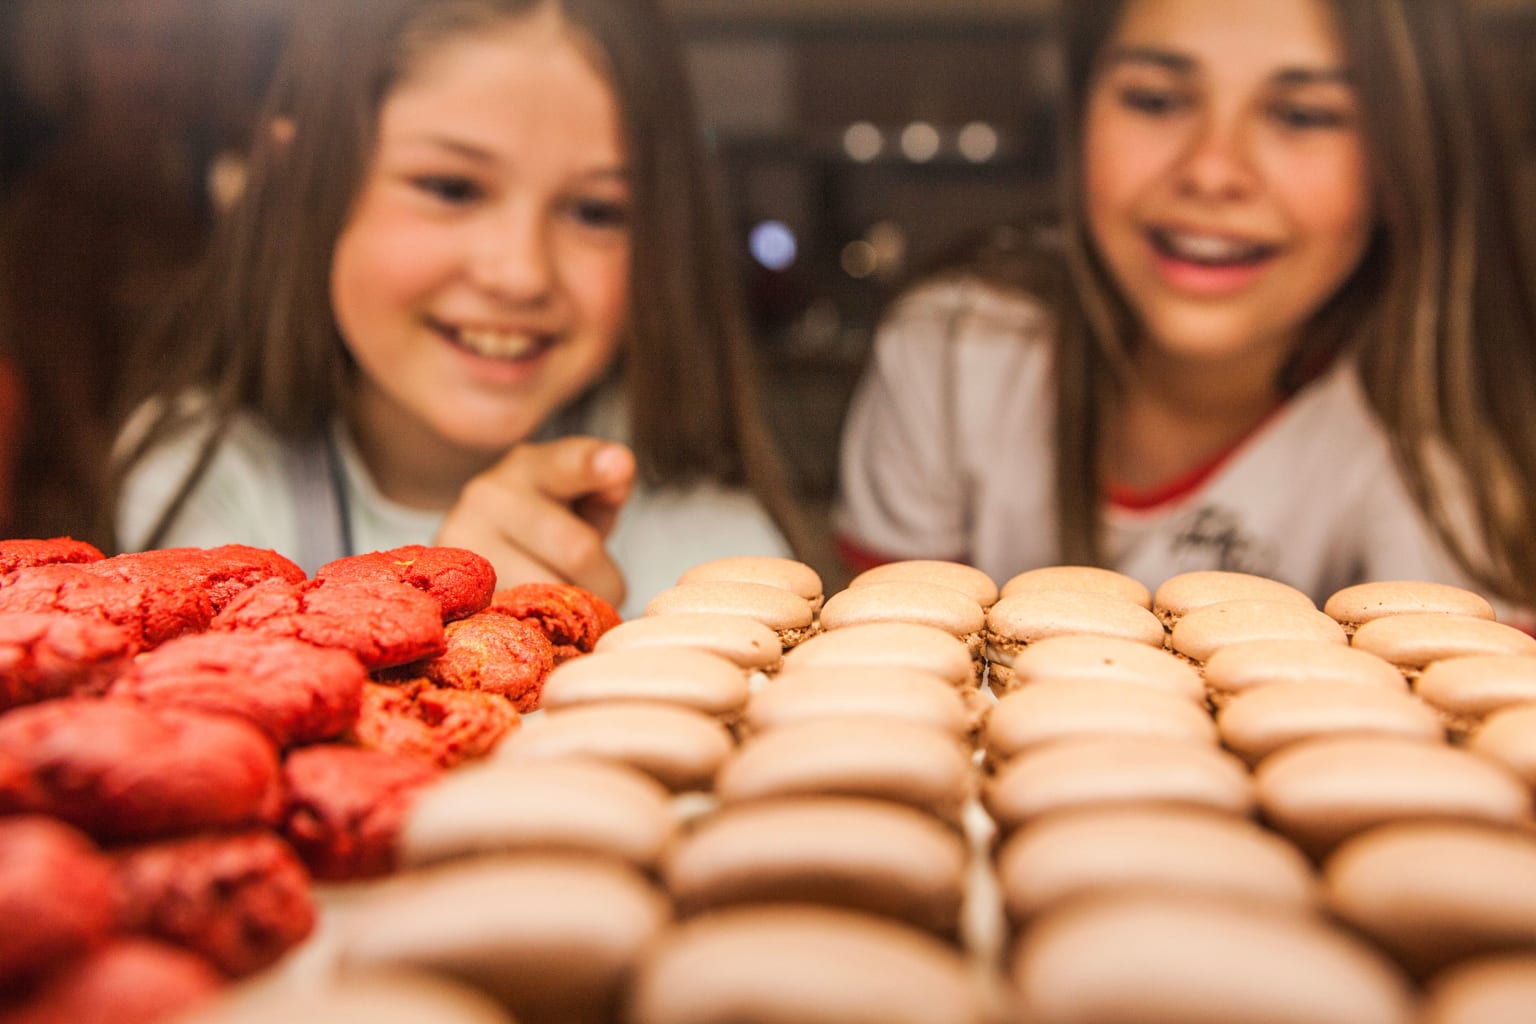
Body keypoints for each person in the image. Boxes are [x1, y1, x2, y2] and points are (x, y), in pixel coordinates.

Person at [112, 0, 818, 620]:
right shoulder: (211, 479)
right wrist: (455, 635)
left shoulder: (697, 525)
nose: (520, 273)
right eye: (451, 187)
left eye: (595, 210)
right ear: (300, 181)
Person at [835, 0, 1536, 621]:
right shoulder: (961, 348)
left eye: (1304, 114)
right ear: (1079, 114)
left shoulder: (1444, 445)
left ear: (1409, 157)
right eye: (1157, 100)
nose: (1210, 169)